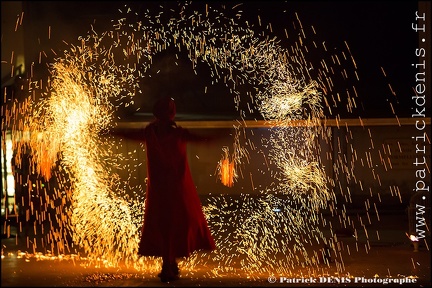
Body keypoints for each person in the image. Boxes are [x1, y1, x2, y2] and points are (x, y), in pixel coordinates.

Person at [118, 96, 216, 282]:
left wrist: (111, 132)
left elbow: (130, 135)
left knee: (165, 225)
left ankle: (168, 263)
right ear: (172, 114)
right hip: (177, 188)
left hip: (159, 189)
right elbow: (198, 139)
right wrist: (215, 138)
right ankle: (169, 264)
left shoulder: (150, 132)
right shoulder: (176, 133)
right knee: (175, 223)